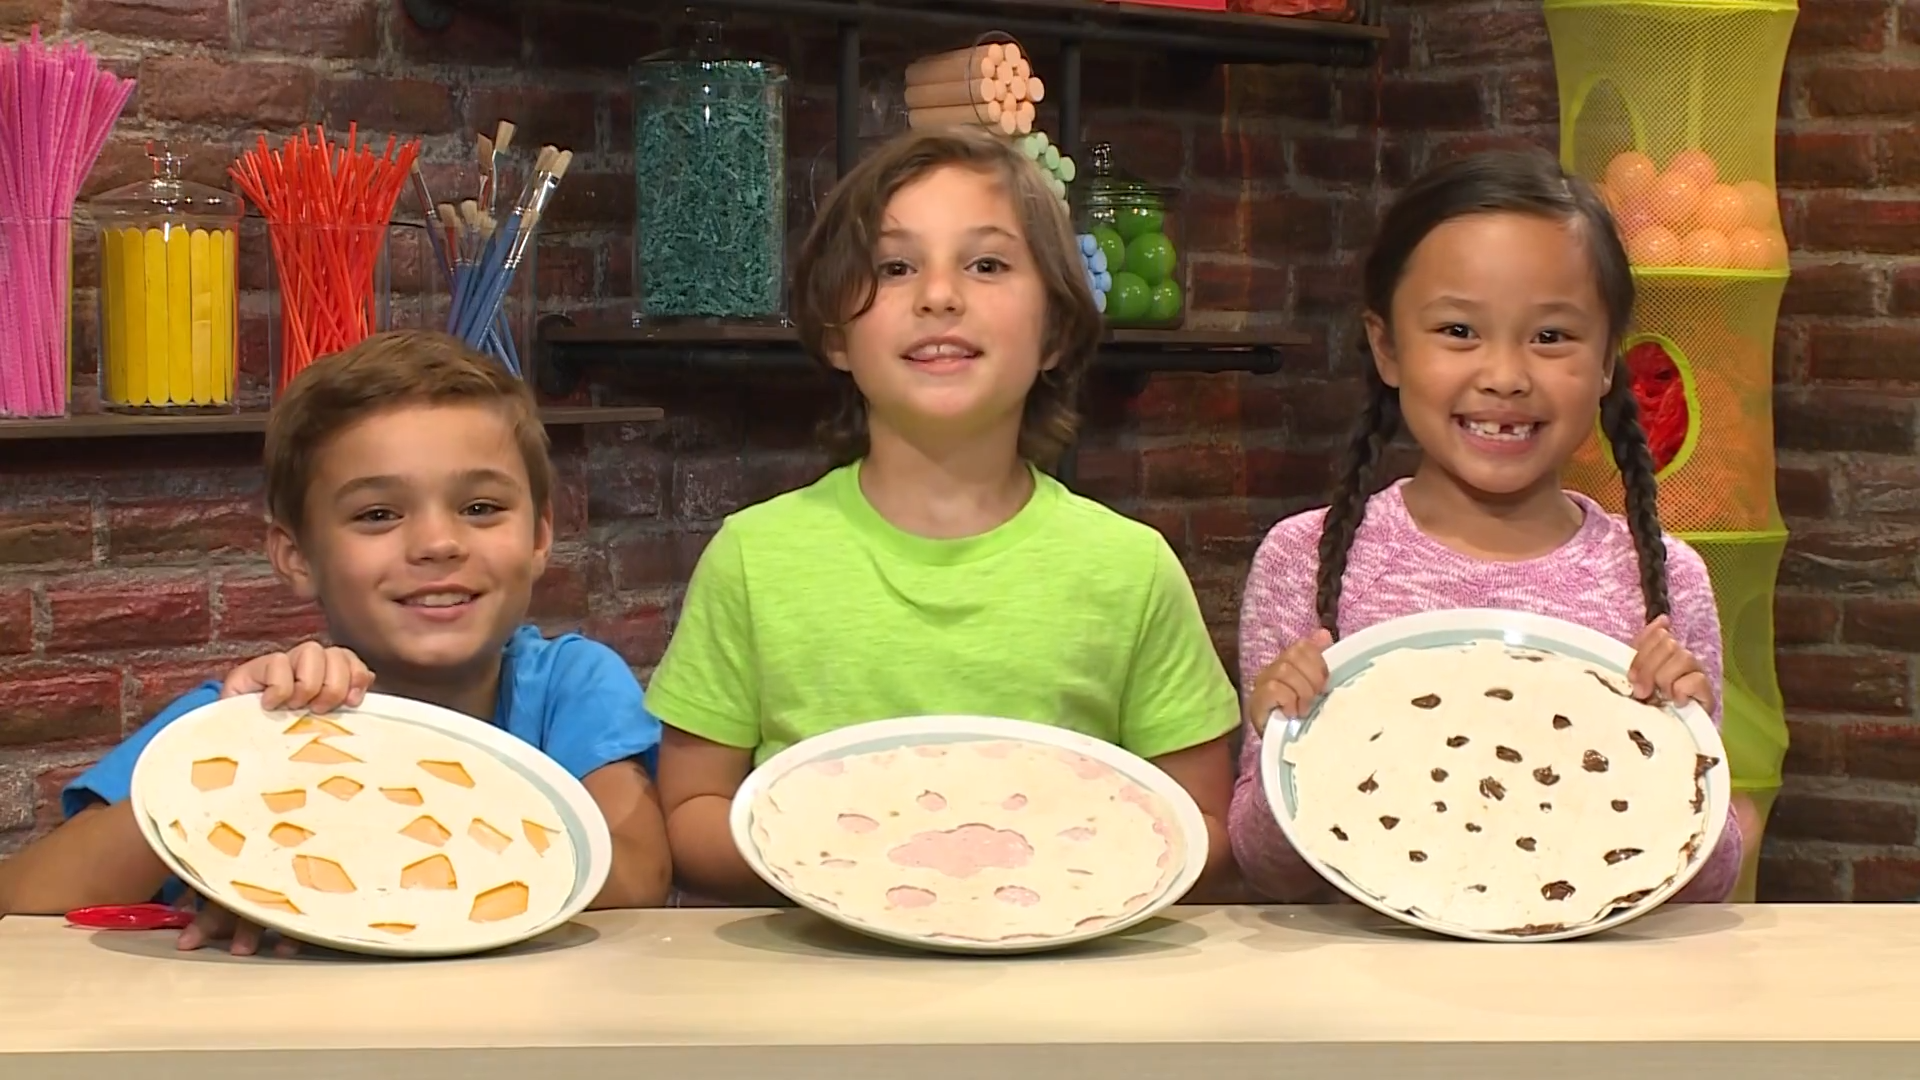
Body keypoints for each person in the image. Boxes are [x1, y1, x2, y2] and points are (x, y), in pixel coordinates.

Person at [647, 126, 1242, 905]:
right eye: (895, 267)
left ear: (1057, 328)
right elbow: (692, 810)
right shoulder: (755, 558)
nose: (938, 295)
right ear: (835, 332)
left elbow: (1198, 821)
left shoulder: (1130, 569)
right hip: (814, 988)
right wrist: (851, 878)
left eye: (987, 264)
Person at [0, 331, 673, 950]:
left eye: (480, 508)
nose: (438, 543)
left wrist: (339, 886)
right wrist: (247, 760)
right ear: (296, 556)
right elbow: (28, 897)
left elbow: (636, 870)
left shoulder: (572, 685)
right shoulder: (247, 714)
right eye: (378, 514)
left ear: (539, 536)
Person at [1228, 149, 1744, 903]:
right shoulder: (1302, 561)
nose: (1505, 375)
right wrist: (1284, 737)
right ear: (1387, 346)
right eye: (1460, 330)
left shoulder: (1663, 578)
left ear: (1608, 360)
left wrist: (1680, 743)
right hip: (1365, 998)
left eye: (1551, 337)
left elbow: (1708, 879)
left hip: (1587, 997)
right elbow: (1268, 871)